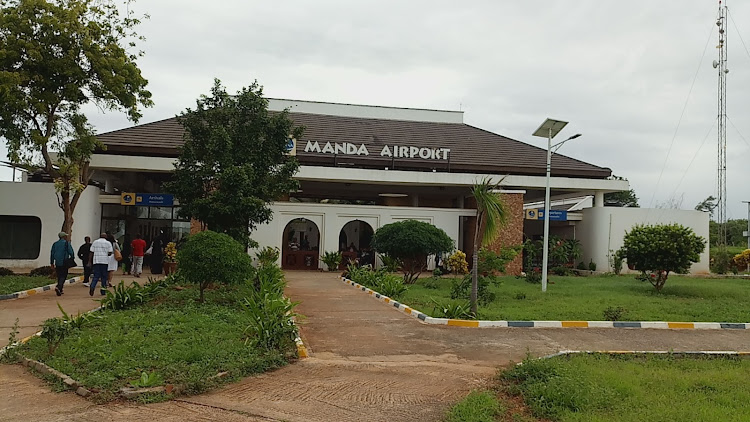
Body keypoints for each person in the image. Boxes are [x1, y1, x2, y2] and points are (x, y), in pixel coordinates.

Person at [50, 231, 75, 296]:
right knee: (64, 275)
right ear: (64, 237)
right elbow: (71, 252)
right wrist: (72, 258)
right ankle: (59, 286)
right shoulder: (66, 243)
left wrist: (52, 263)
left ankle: (60, 289)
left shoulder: (55, 244)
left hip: (57, 262)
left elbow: (52, 253)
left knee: (59, 275)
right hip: (64, 262)